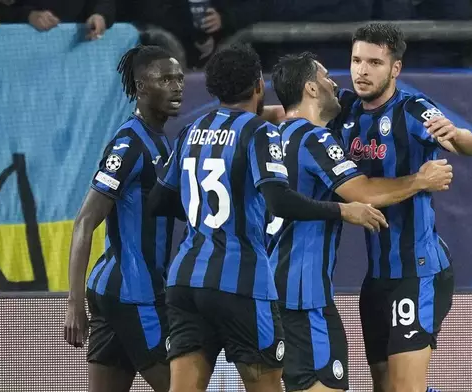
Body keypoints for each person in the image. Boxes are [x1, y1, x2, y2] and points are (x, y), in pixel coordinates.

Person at [147, 43, 387, 392]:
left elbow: (158, 203)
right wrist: (341, 209)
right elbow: (280, 201)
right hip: (239, 280)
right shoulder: (259, 131)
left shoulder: (191, 130)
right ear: (258, 85)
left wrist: (211, 215)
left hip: (185, 279)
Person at [269, 51, 454, 392]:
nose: (335, 84)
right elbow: (362, 191)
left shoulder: (272, 137)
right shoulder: (315, 138)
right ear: (311, 89)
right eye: (326, 78)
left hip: (268, 293)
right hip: (305, 298)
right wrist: (420, 181)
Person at [63, 45, 184, 392]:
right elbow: (84, 222)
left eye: (178, 78)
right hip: (135, 295)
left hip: (113, 292)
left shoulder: (161, 142)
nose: (176, 87)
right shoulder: (129, 144)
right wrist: (72, 305)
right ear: (142, 87)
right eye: (165, 79)